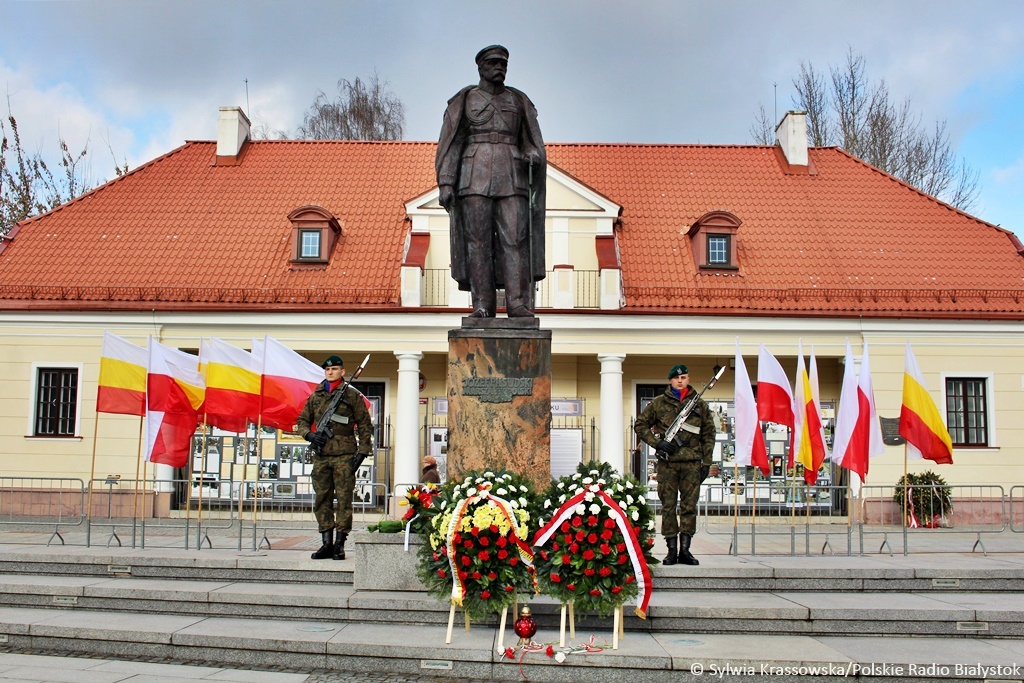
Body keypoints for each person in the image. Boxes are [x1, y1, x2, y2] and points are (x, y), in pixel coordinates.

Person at [436, 44, 546, 318]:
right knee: (478, 243)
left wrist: (533, 155)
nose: (500, 68)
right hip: (474, 176)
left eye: (503, 64)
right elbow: (452, 142)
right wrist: (446, 182)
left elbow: (531, 142)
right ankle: (482, 305)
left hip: (512, 175)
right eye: (494, 63)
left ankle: (517, 304)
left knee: (516, 240)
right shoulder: (466, 99)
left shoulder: (518, 101)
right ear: (481, 67)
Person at [634, 363, 719, 565]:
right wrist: (658, 442)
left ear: (688, 379)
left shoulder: (700, 405)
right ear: (670, 380)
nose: (680, 381)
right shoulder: (658, 403)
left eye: (684, 377)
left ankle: (686, 550)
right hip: (668, 463)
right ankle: (671, 550)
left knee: (689, 507)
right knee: (668, 507)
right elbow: (640, 425)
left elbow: (709, 434)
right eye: (676, 378)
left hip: (691, 463)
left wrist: (706, 462)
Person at [297, 355, 373, 561]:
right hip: (322, 457)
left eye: (335, 369)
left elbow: (365, 424)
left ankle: (340, 544)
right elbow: (302, 421)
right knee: (322, 499)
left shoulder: (350, 395)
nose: (330, 372)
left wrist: (363, 452)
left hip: (344, 456)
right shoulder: (316, 396)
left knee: (344, 500)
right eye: (327, 370)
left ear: (342, 371)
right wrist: (310, 435)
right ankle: (326, 544)